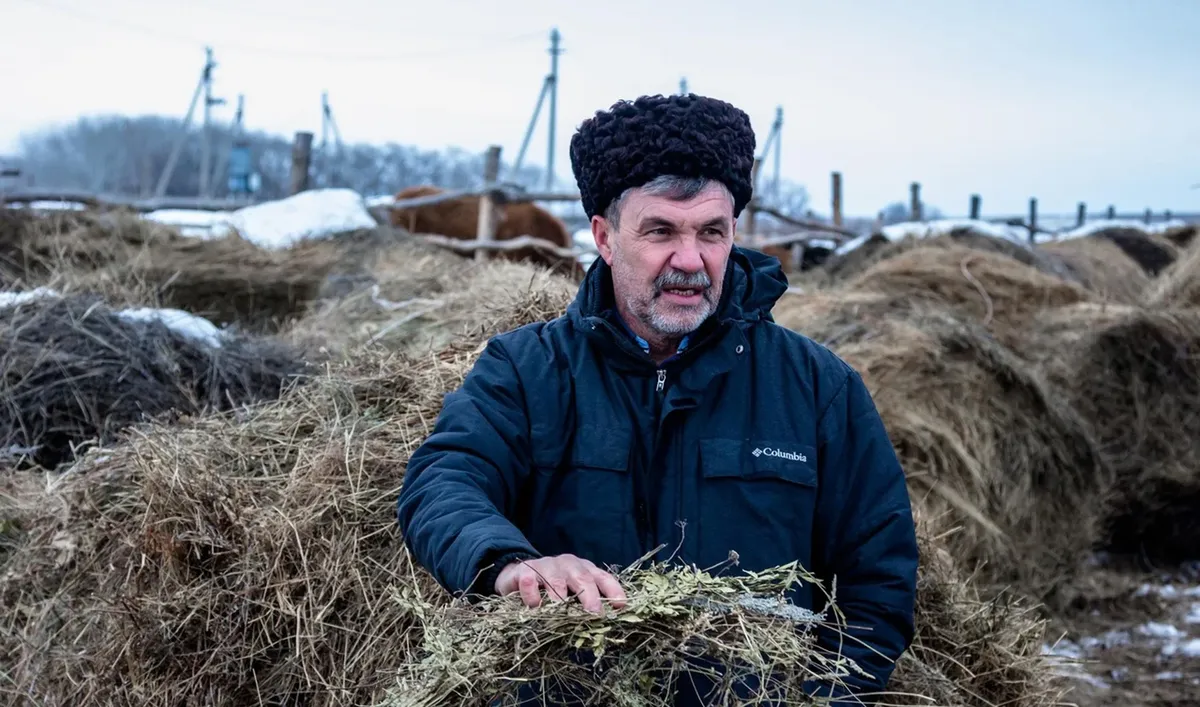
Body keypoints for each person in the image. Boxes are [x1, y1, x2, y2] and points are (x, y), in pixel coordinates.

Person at [396, 93, 919, 704]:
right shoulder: (526, 369)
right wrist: (509, 560)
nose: (690, 260)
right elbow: (443, 481)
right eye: (661, 231)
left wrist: (825, 698)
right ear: (605, 237)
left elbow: (878, 579)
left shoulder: (818, 387)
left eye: (712, 232)